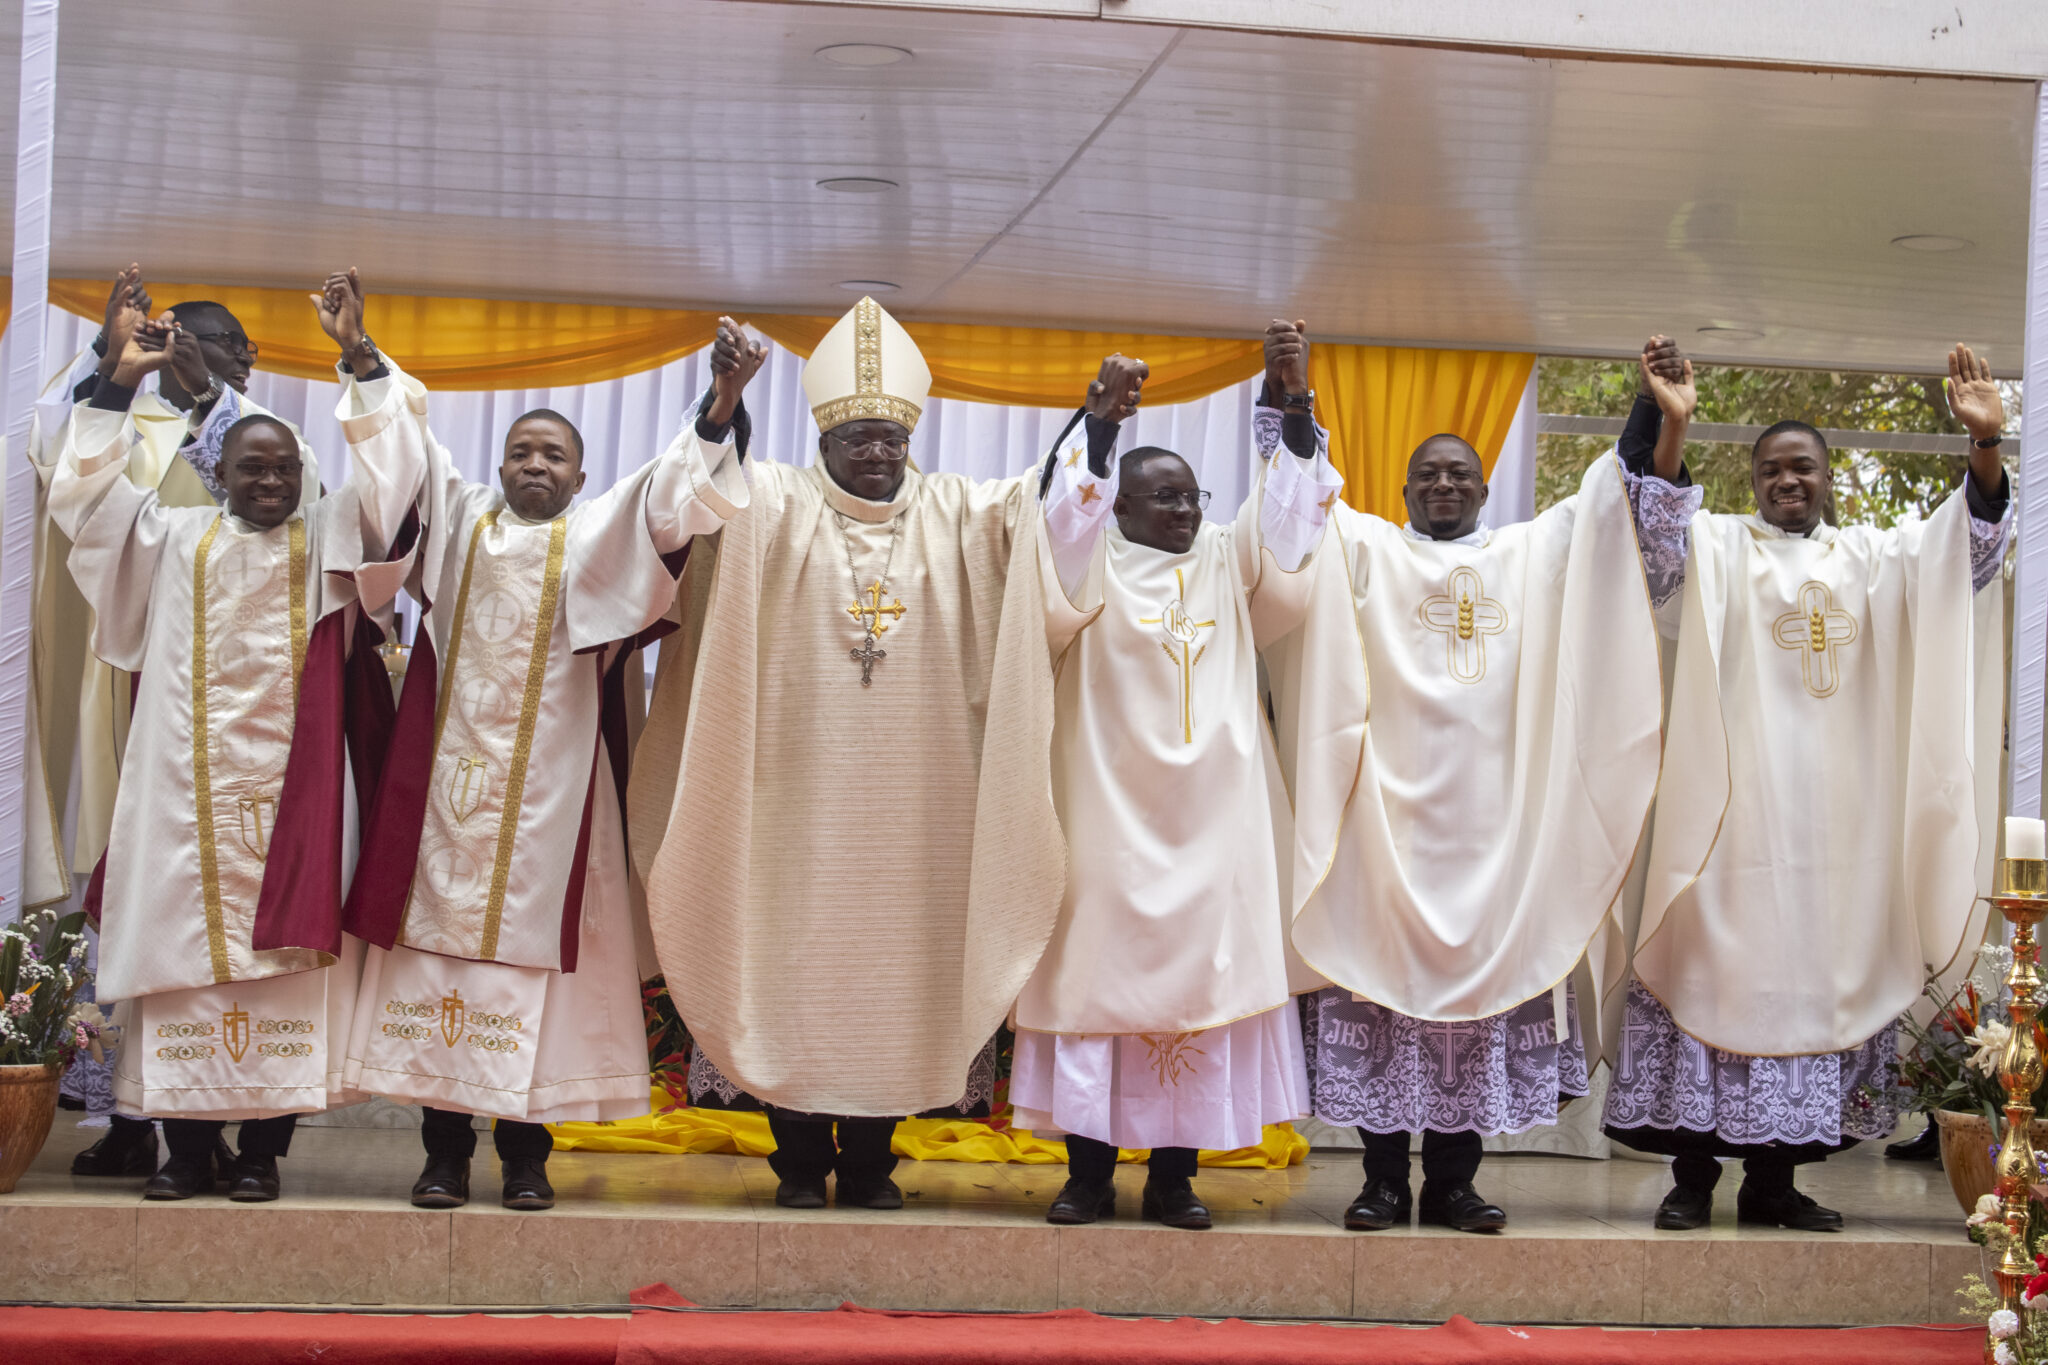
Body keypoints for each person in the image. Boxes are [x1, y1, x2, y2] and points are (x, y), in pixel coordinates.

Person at [630, 298, 1107, 1210]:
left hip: (919, 810)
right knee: (782, 963)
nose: (879, 451)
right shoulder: (769, 500)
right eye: (861, 437)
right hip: (789, 804)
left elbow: (1049, 514)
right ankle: (800, 1162)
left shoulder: (964, 514)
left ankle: (873, 1162)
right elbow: (693, 497)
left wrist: (1096, 428)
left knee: (906, 971)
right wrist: (723, 402)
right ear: (824, 436)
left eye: (892, 435)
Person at [323, 271, 755, 1211]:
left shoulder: (599, 537)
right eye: (521, 450)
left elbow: (671, 505)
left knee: (534, 986)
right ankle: (442, 1154)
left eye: (553, 455)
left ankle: (525, 1157)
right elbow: (402, 455)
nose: (533, 466)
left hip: (552, 814)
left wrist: (720, 405)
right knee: (439, 974)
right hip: (441, 806)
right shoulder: (461, 522)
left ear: (581, 474)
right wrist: (361, 353)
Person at [1268, 321, 1677, 1233]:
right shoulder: (1369, 548)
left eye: (1460, 475)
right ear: (1405, 489)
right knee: (1381, 988)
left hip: (1496, 827)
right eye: (1428, 476)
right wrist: (1294, 403)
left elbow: (1608, 503)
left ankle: (1453, 1183)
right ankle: (1380, 1180)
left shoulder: (1527, 555)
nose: (1444, 485)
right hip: (1386, 823)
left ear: (1486, 487)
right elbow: (1299, 507)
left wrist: (1648, 404)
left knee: (1476, 1009)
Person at [1602, 342, 2009, 1231]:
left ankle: (1775, 1183)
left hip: (1836, 833)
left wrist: (1982, 449)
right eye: (1772, 469)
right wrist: (1673, 423)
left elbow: (1965, 558)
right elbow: (1654, 540)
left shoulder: (1875, 559)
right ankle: (1691, 1177)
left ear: (1827, 479)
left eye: (1804, 468)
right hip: (1728, 825)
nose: (1789, 481)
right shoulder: (1717, 547)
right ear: (1751, 481)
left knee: (1816, 985)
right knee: (1707, 973)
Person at [45, 296, 394, 1202]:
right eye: (252, 469)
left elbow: (396, 483)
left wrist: (358, 356)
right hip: (180, 807)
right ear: (219, 475)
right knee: (181, 972)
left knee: (280, 980)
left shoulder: (327, 546)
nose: (270, 482)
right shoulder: (170, 538)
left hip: (295, 806)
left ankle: (262, 1155)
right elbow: (84, 500)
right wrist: (121, 379)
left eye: (284, 469)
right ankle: (188, 1153)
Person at [1011, 323, 1339, 1229]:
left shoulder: (1228, 563)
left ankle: (1172, 1176)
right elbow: (1056, 518)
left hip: (1215, 823)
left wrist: (1291, 404)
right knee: (1097, 986)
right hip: (1108, 819)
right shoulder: (1088, 565)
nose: (1186, 512)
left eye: (1193, 496)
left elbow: (1291, 523)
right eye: (1163, 499)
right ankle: (1085, 1173)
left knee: (1201, 998)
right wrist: (1101, 426)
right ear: (1119, 507)